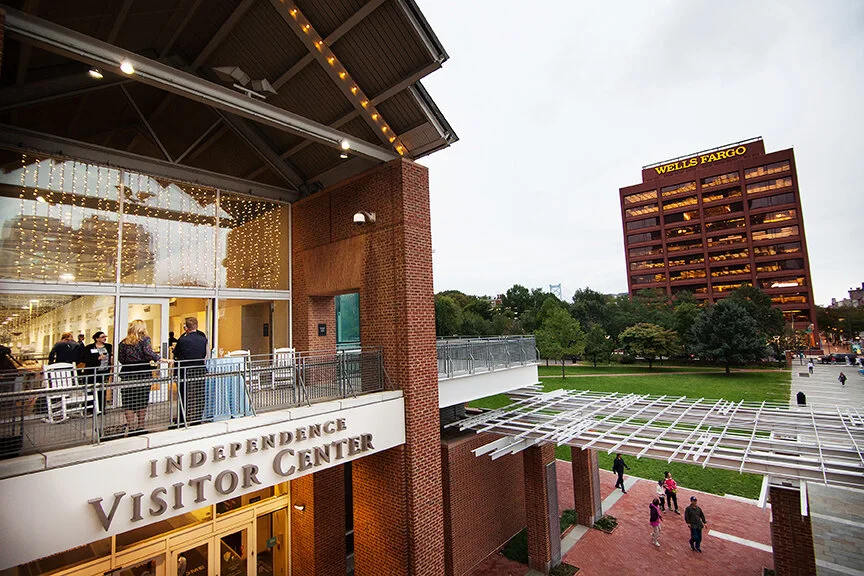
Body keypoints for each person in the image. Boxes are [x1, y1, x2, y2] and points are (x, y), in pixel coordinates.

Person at [117, 319, 160, 433]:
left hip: (127, 372)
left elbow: (121, 359)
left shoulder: (123, 342)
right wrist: (159, 359)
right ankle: (141, 426)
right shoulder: (144, 339)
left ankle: (131, 428)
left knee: (128, 401)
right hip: (142, 372)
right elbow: (148, 352)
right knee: (142, 399)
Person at [172, 317, 208, 425]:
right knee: (200, 394)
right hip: (199, 369)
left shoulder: (183, 339)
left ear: (186, 327)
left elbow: (176, 353)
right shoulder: (203, 339)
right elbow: (204, 354)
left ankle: (182, 418)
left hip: (185, 370)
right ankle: (197, 418)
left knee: (184, 394)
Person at [78, 332, 113, 412]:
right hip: (92, 372)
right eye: (102, 337)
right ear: (97, 339)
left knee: (102, 390)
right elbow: (84, 359)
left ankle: (101, 408)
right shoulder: (89, 347)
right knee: (91, 390)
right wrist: (97, 358)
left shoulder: (108, 346)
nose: (104, 338)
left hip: (104, 371)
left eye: (105, 337)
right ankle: (91, 408)